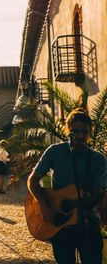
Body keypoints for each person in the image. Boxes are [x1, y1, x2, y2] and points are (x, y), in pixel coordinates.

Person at [28, 109, 107, 264]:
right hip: (60, 226)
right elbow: (33, 180)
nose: (80, 136)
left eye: (84, 132)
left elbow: (98, 193)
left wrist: (99, 199)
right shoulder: (55, 152)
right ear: (68, 130)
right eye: (75, 131)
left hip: (88, 224)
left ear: (89, 134)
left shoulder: (99, 160)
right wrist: (43, 205)